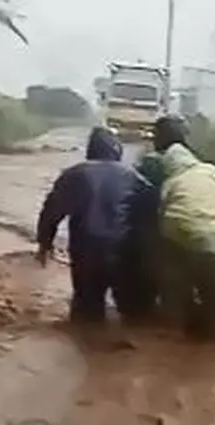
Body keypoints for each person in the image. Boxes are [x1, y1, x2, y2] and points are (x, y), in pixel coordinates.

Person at [35, 126, 157, 324]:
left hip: (85, 250)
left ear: (90, 150)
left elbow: (52, 211)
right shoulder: (133, 177)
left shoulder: (73, 174)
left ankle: (85, 345)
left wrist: (44, 243)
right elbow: (151, 210)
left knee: (86, 309)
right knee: (133, 312)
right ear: (117, 150)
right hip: (123, 250)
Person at [153, 116, 215, 339]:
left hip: (178, 242)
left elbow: (161, 215)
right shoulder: (213, 171)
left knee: (176, 285)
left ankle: (177, 324)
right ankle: (210, 338)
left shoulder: (170, 181)